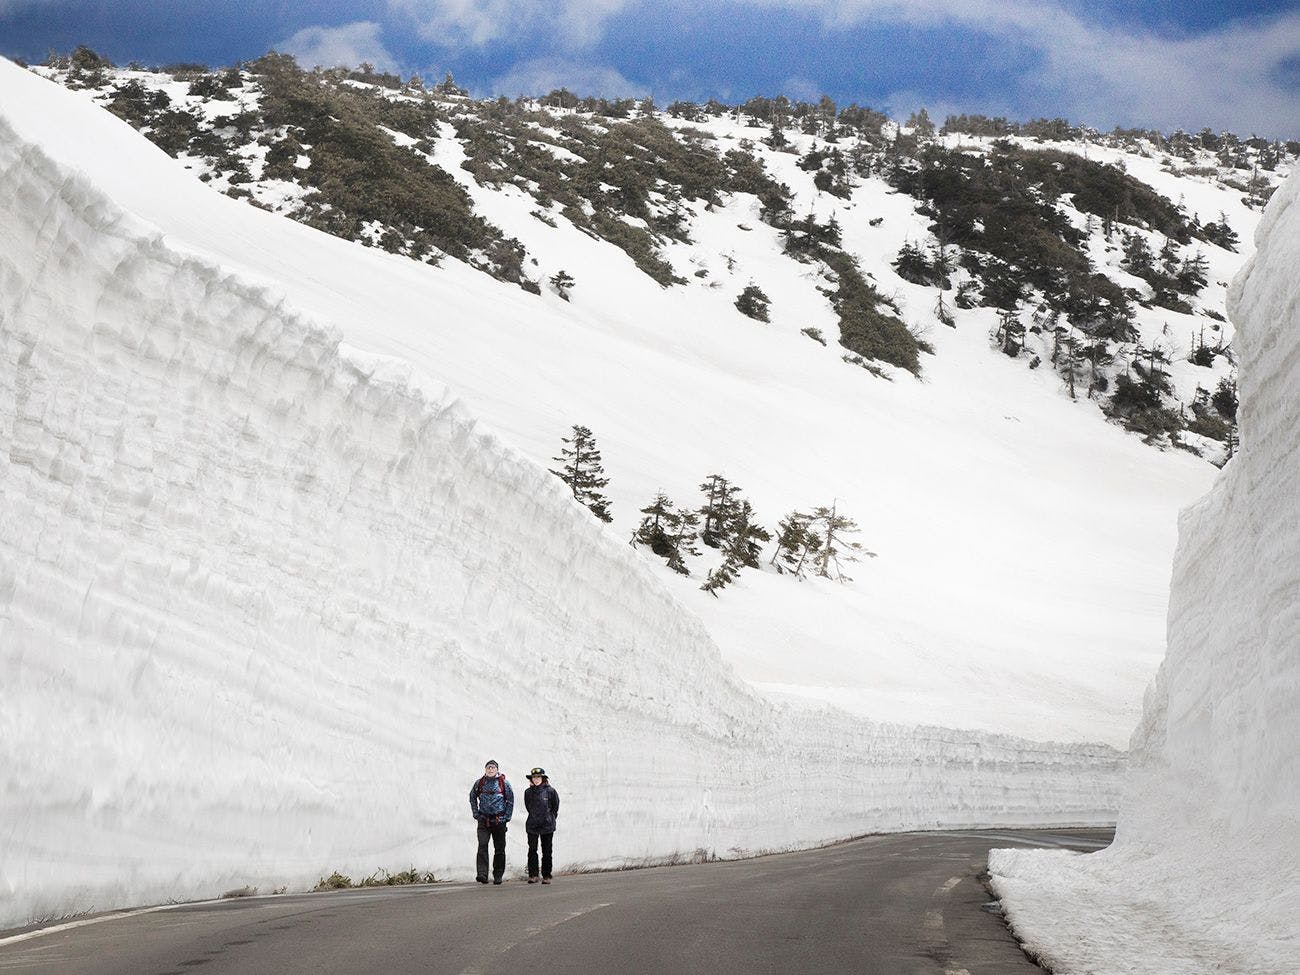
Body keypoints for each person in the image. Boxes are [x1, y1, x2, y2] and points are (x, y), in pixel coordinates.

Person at [469, 759, 513, 885]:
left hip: (499, 821)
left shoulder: (504, 783)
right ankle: (482, 874)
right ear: (485, 769)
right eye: (488, 767)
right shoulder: (479, 783)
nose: (490, 769)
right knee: (482, 845)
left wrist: (507, 817)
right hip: (483, 820)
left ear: (497, 769)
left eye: (493, 767)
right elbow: (472, 797)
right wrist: (476, 813)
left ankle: (498, 875)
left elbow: (510, 800)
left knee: (499, 848)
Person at [523, 766, 560, 884]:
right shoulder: (528, 792)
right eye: (534, 777)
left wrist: (550, 818)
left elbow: (555, 807)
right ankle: (533, 875)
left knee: (547, 850)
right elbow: (528, 807)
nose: (536, 779)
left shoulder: (551, 791)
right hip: (532, 825)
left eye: (538, 777)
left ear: (543, 778)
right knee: (532, 850)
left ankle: (547, 875)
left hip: (547, 825)